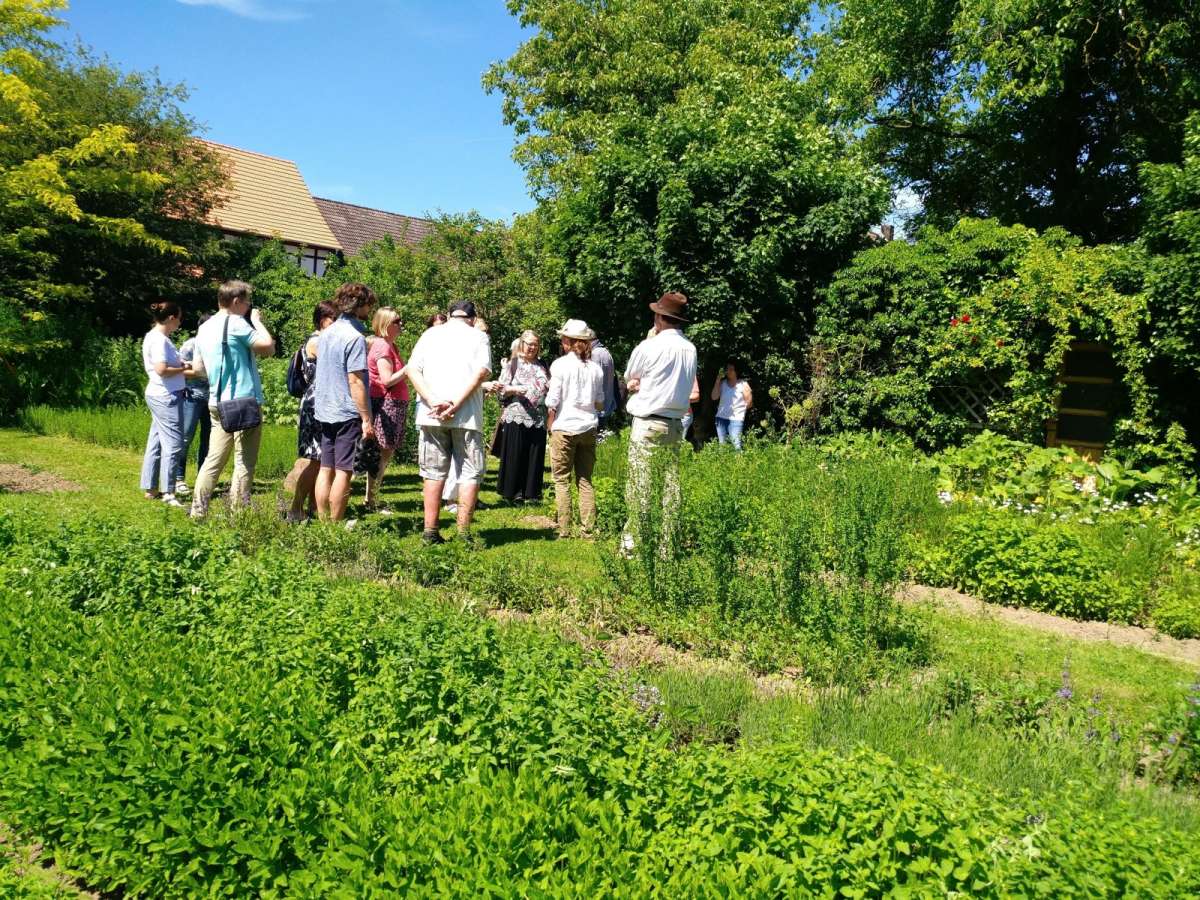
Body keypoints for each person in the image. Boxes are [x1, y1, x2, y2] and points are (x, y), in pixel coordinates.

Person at [405, 299, 492, 544]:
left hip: (431, 414)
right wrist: (456, 403)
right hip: (466, 417)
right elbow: (481, 372)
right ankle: (463, 533)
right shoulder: (478, 337)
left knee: (433, 473)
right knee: (469, 472)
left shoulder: (430, 334)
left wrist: (433, 400)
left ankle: (430, 531)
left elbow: (412, 370)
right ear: (473, 318)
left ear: (448, 315)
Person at [189, 280, 276, 519]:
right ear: (237, 301)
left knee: (213, 460)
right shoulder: (238, 323)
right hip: (244, 402)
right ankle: (238, 513)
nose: (249, 307)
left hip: (217, 402)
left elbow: (198, 369)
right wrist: (257, 321)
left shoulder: (204, 328)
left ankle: (198, 511)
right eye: (247, 302)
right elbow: (268, 347)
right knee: (244, 461)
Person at [621, 291, 699, 554]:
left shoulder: (649, 346)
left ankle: (634, 546)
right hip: (676, 423)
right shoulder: (690, 348)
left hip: (648, 422)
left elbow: (630, 374)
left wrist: (639, 384)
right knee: (670, 486)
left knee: (640, 484)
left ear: (659, 317)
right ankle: (668, 545)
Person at [313, 282, 376, 523]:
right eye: (369, 305)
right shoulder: (354, 337)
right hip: (346, 412)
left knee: (325, 468)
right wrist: (366, 418)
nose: (370, 310)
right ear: (360, 305)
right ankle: (336, 525)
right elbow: (356, 381)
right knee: (344, 471)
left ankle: (323, 521)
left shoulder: (325, 334)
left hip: (325, 410)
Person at [545, 320, 604, 539]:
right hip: (588, 427)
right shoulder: (596, 369)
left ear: (568, 342)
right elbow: (600, 403)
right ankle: (588, 529)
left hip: (565, 427)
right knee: (585, 479)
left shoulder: (560, 365)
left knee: (561, 480)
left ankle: (564, 529)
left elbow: (552, 399)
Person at [282, 301, 339, 523]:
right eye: (333, 319)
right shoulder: (317, 341)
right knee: (315, 460)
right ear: (322, 320)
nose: (336, 325)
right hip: (316, 406)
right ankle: (296, 509)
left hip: (322, 404)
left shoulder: (323, 339)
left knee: (323, 460)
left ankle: (314, 507)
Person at [488, 330, 548, 504]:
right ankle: (512, 492)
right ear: (522, 344)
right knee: (515, 454)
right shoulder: (512, 364)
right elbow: (500, 391)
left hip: (538, 417)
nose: (532, 347)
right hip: (516, 414)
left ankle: (532, 493)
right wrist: (514, 389)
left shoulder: (543, 364)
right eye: (529, 343)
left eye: (535, 344)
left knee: (534, 454)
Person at [140, 300, 190, 507]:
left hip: (159, 394)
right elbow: (161, 369)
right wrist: (183, 368)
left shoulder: (154, 336)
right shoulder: (159, 340)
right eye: (179, 318)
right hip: (166, 396)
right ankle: (168, 492)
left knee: (156, 441)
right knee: (173, 444)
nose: (180, 323)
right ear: (171, 318)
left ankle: (150, 487)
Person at [442, 314, 492, 512]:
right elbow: (468, 379)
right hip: (458, 412)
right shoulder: (466, 346)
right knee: (462, 461)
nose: (484, 336)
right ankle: (452, 500)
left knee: (470, 462)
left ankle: (468, 499)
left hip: (469, 410)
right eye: (482, 332)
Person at [365, 306, 409, 513]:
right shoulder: (383, 347)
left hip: (394, 403)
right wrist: (409, 369)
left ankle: (371, 498)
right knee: (382, 454)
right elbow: (387, 380)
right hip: (387, 404)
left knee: (383, 453)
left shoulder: (390, 346)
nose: (401, 324)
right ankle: (372, 500)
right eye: (397, 321)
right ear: (385, 325)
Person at [174, 313, 211, 496]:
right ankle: (179, 478)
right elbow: (179, 371)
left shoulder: (216, 346)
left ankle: (201, 479)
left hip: (211, 399)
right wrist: (199, 373)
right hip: (191, 397)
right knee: (186, 436)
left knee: (208, 440)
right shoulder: (190, 345)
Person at [712, 361, 753, 450]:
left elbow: (749, 404)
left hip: (736, 420)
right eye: (727, 369)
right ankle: (724, 463)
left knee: (736, 446)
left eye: (731, 369)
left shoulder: (743, 384)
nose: (728, 371)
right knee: (722, 446)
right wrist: (718, 380)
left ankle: (739, 464)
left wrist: (740, 411)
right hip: (721, 418)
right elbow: (714, 397)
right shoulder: (722, 383)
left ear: (736, 371)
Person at [589, 335, 618, 425]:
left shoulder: (595, 354)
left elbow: (594, 383)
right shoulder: (605, 352)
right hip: (606, 405)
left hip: (597, 409)